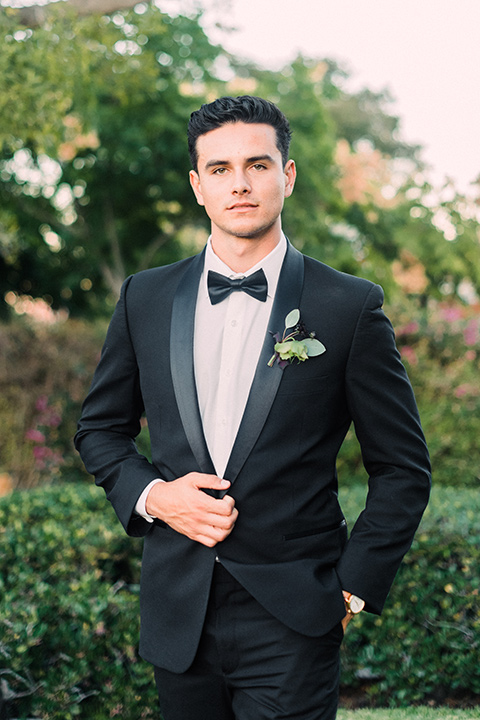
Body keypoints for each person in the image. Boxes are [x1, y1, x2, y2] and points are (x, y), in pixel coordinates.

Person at [75, 95, 431, 720]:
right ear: (197, 185)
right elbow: (100, 430)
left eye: (258, 165)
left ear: (287, 176)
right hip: (177, 610)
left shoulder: (349, 307)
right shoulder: (144, 298)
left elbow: (403, 467)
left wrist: (352, 590)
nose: (239, 184)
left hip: (295, 618)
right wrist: (155, 496)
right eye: (219, 169)